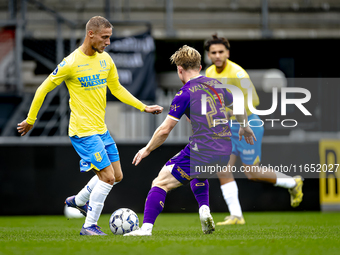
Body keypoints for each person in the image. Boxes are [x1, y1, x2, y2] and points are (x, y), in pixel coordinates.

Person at [17, 16, 163, 236]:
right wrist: (31, 119)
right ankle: (89, 226)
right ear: (90, 34)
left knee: (118, 175)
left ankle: (79, 200)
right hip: (82, 131)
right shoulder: (71, 63)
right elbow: (43, 89)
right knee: (107, 177)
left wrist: (143, 107)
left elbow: (117, 89)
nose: (108, 42)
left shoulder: (106, 60)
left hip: (100, 129)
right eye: (105, 37)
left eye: (110, 37)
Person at [124, 45, 256, 236]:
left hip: (203, 149)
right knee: (199, 175)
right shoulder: (217, 85)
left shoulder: (184, 93)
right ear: (200, 67)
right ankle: (204, 210)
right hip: (225, 150)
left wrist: (147, 149)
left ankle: (145, 229)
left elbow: (164, 130)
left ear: (179, 69)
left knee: (160, 182)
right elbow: (238, 104)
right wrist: (244, 126)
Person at [203, 34, 303, 225]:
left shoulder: (238, 73)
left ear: (228, 53)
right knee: (222, 169)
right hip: (226, 129)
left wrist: (229, 112)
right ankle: (237, 216)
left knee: (252, 173)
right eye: (213, 52)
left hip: (247, 125)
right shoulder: (209, 73)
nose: (217, 55)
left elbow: (253, 101)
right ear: (208, 54)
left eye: (220, 52)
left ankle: (293, 182)